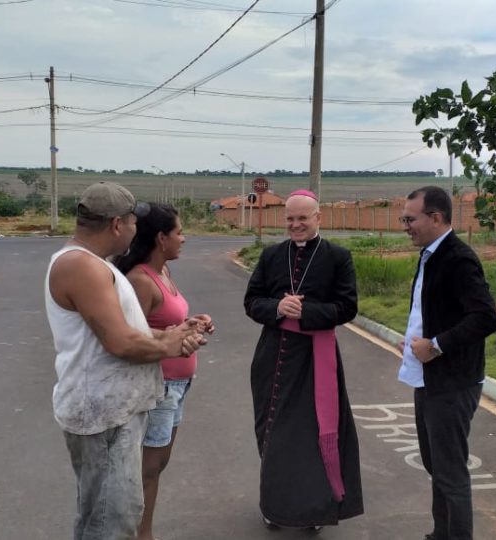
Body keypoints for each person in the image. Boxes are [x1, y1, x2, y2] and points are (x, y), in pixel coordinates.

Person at [44, 182, 205, 540]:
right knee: (110, 523)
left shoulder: (95, 264)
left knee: (113, 516)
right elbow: (121, 342)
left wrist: (172, 335)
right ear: (118, 224)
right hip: (104, 417)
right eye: (133, 222)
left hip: (112, 414)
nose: (136, 230)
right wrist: (171, 344)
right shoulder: (81, 266)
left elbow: (128, 331)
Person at [243, 189, 364, 530]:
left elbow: (347, 307)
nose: (295, 225)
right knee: (271, 431)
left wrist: (306, 312)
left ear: (318, 218)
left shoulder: (337, 257)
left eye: (302, 218)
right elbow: (252, 301)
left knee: (312, 434)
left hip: (316, 359)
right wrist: (278, 308)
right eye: (290, 219)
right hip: (272, 355)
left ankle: (313, 510)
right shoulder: (271, 255)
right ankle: (274, 505)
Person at [398, 186, 496, 540]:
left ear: (436, 217)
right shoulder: (430, 254)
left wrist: (437, 346)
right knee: (436, 466)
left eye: (410, 219)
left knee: (451, 473)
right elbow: (433, 311)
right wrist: (413, 340)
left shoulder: (457, 258)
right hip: (428, 379)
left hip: (453, 383)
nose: (405, 226)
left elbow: (486, 318)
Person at [113, 203, 214, 540]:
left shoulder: (163, 272)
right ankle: (141, 534)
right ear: (160, 238)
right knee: (147, 470)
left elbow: (163, 324)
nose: (184, 239)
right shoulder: (140, 280)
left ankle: (143, 531)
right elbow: (131, 336)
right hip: (159, 388)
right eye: (179, 232)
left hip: (178, 385)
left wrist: (193, 324)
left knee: (156, 467)